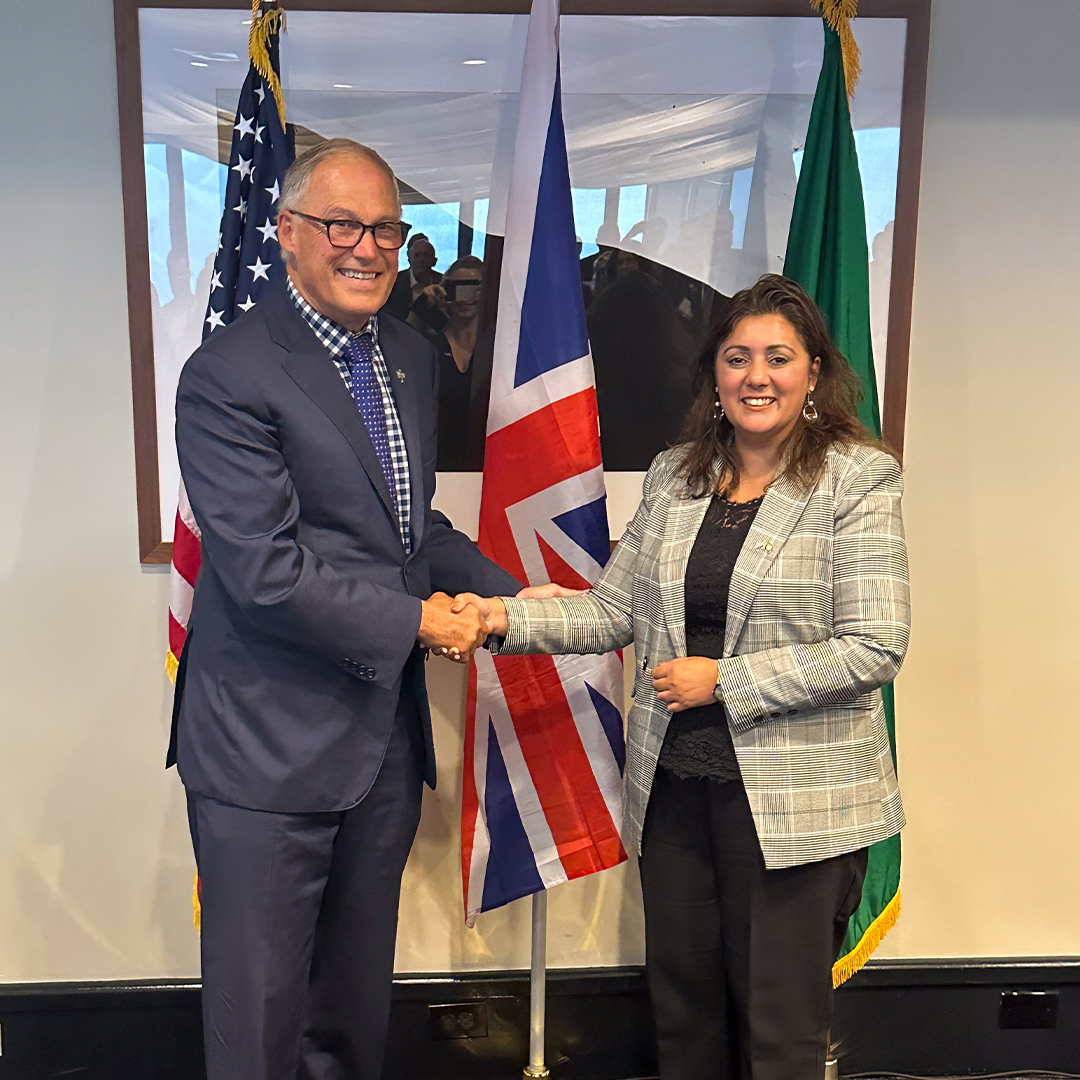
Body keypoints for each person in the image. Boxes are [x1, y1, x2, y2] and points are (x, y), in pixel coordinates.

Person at [455, 274, 909, 1080]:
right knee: (684, 1020)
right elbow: (610, 611)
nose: (756, 376)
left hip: (794, 809)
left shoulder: (857, 480)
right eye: (737, 358)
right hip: (675, 799)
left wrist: (725, 681)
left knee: (780, 1034)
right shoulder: (676, 476)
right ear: (714, 373)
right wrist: (494, 618)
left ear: (812, 374)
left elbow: (875, 645)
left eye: (778, 357)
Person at [172, 138, 525, 1080]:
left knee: (350, 1019)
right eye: (341, 225)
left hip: (379, 746)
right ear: (288, 233)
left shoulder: (406, 356)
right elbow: (266, 571)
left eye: (383, 227)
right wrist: (422, 625)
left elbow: (408, 537)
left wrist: (519, 600)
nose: (366, 247)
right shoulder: (227, 376)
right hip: (265, 749)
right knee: (260, 1030)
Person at [415, 254, 484, 470]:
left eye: (472, 288)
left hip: (486, 464)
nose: (464, 298)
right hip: (438, 464)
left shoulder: (496, 351)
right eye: (457, 288)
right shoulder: (429, 349)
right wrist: (423, 305)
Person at [383, 231, 441, 324]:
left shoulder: (442, 283)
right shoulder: (393, 283)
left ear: (434, 261)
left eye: (426, 255)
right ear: (409, 259)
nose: (421, 260)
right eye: (417, 255)